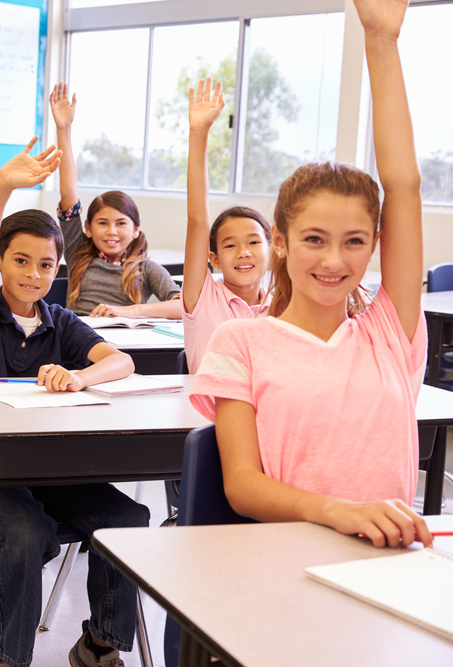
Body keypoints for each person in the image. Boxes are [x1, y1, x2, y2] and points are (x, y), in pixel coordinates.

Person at [189, 0, 433, 550]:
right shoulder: (242, 341)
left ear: (376, 245)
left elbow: (406, 186)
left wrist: (382, 42)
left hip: (388, 564)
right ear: (280, 239)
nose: (333, 261)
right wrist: (336, 512)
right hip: (286, 563)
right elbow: (244, 486)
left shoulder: (388, 333)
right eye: (314, 240)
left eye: (354, 242)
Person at [0, 137, 150, 667]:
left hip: (47, 468)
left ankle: (99, 644)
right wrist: (2, 186)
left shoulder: (59, 322)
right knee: (24, 531)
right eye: (20, 261)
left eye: (46, 266)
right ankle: (7, 658)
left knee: (128, 517)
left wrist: (81, 377)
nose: (33, 275)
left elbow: (121, 362)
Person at [50, 82, 181, 318]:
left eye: (121, 223)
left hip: (125, 346)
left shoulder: (146, 268)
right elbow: (68, 193)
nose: (112, 231)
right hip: (77, 342)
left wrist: (132, 311)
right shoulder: (77, 251)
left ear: (135, 230)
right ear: (88, 228)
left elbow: (182, 306)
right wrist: (63, 129)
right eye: (102, 223)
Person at [180, 78, 273, 372]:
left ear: (273, 249)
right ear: (214, 259)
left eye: (254, 242)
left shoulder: (284, 304)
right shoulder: (203, 298)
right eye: (231, 245)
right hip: (212, 416)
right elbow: (197, 220)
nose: (243, 252)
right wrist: (199, 133)